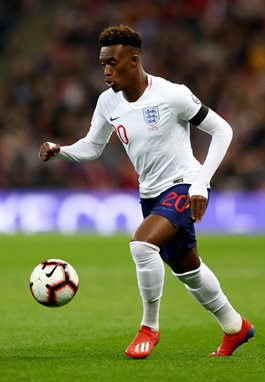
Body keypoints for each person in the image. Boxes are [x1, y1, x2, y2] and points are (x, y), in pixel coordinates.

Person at [39, 25, 254, 358]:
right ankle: (235, 326)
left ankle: (148, 328)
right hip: (151, 194)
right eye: (102, 64)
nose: (106, 71)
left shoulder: (172, 94)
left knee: (141, 244)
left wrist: (201, 182)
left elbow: (222, 130)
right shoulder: (107, 102)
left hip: (183, 184)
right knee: (188, 270)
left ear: (134, 60)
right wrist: (61, 150)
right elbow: (92, 147)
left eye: (112, 62)